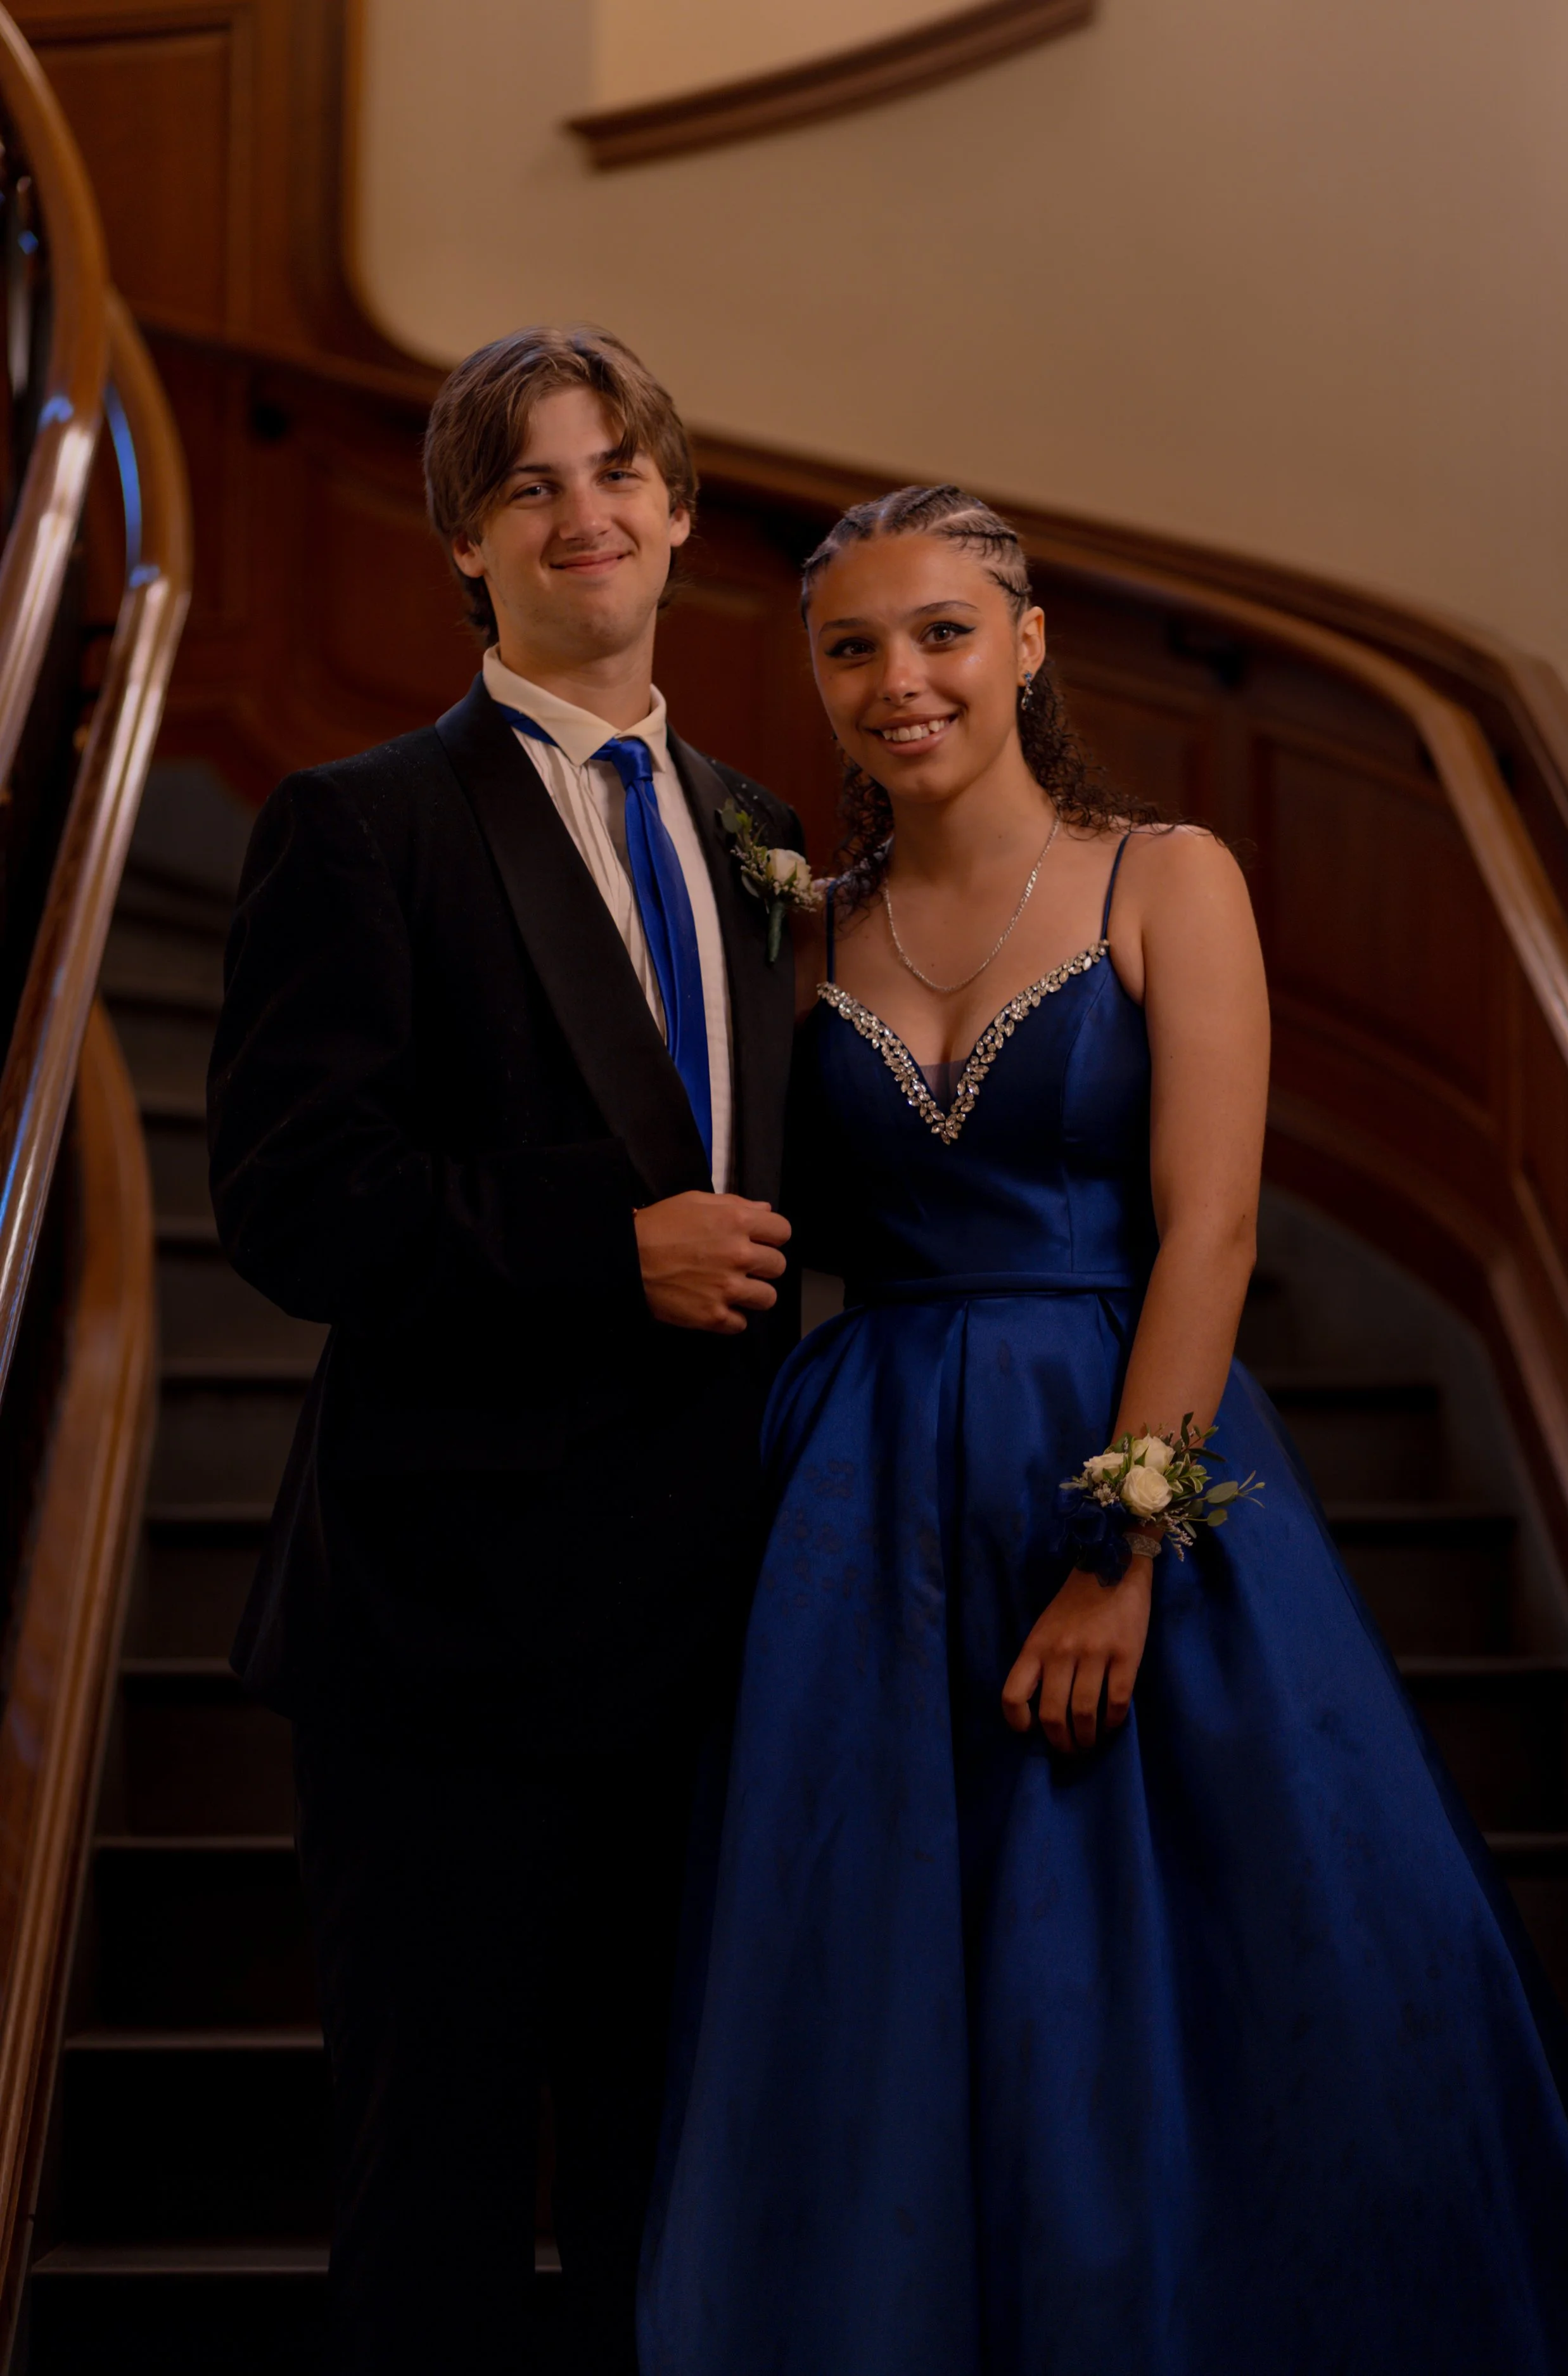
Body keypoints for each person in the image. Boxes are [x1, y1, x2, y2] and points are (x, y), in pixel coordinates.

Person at [639, 485, 1568, 2373]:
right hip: (863, 1503)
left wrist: (1124, 1553)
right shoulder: (799, 932)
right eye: (851, 647)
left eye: (942, 632)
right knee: (874, 1963)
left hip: (1109, 1440)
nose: (899, 680)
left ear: (1027, 643)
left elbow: (1213, 1228)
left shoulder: (1168, 874)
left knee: (1162, 1963)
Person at [208, 325, 805, 2375]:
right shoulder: (357, 824)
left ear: (681, 514)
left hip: (710, 1644)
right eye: (529, 484)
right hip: (443, 1648)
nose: (584, 512)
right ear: (464, 541)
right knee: (438, 2209)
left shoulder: (760, 838)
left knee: (671, 2206)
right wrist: (598, 1245)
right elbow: (291, 1203)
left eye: (618, 470)